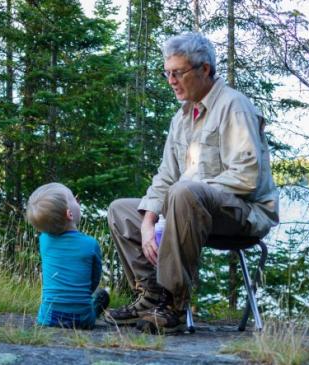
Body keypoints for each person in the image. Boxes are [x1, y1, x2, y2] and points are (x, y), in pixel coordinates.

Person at [106, 32, 279, 333]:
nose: (171, 80)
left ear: (205, 70)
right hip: (189, 209)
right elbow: (166, 176)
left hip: (245, 213)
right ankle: (152, 297)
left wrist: (183, 198)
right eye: (167, 73)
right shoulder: (181, 118)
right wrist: (149, 222)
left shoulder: (234, 106)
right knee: (122, 211)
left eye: (178, 72)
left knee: (184, 192)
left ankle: (173, 304)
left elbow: (247, 177)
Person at [26, 182, 109, 329]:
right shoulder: (91, 244)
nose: (77, 201)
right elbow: (94, 280)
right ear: (69, 213)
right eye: (73, 199)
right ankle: (92, 309)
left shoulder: (44, 241)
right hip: (83, 320)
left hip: (48, 318)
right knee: (102, 296)